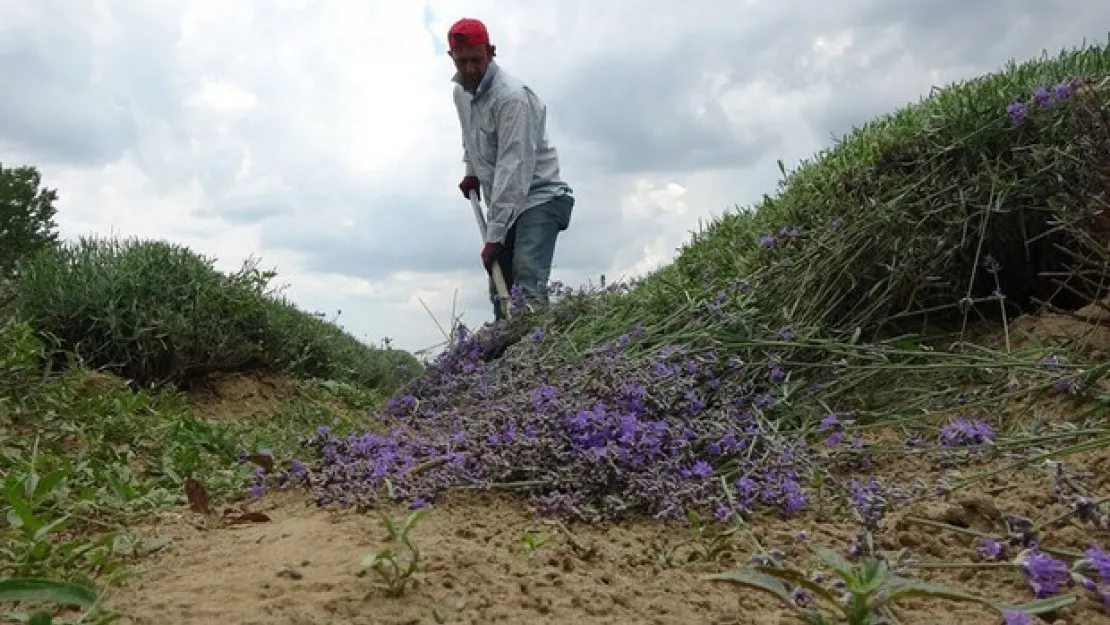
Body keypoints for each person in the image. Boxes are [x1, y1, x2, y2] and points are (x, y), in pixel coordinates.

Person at [447, 17, 575, 321]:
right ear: (451, 57)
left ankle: (540, 356)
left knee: (526, 280)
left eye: (476, 60)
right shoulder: (461, 93)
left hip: (540, 197)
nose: (469, 69)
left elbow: (513, 168)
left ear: (491, 53)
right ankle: (506, 361)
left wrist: (494, 235)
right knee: (500, 291)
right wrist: (472, 171)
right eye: (462, 61)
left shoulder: (512, 98)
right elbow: (471, 137)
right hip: (507, 203)